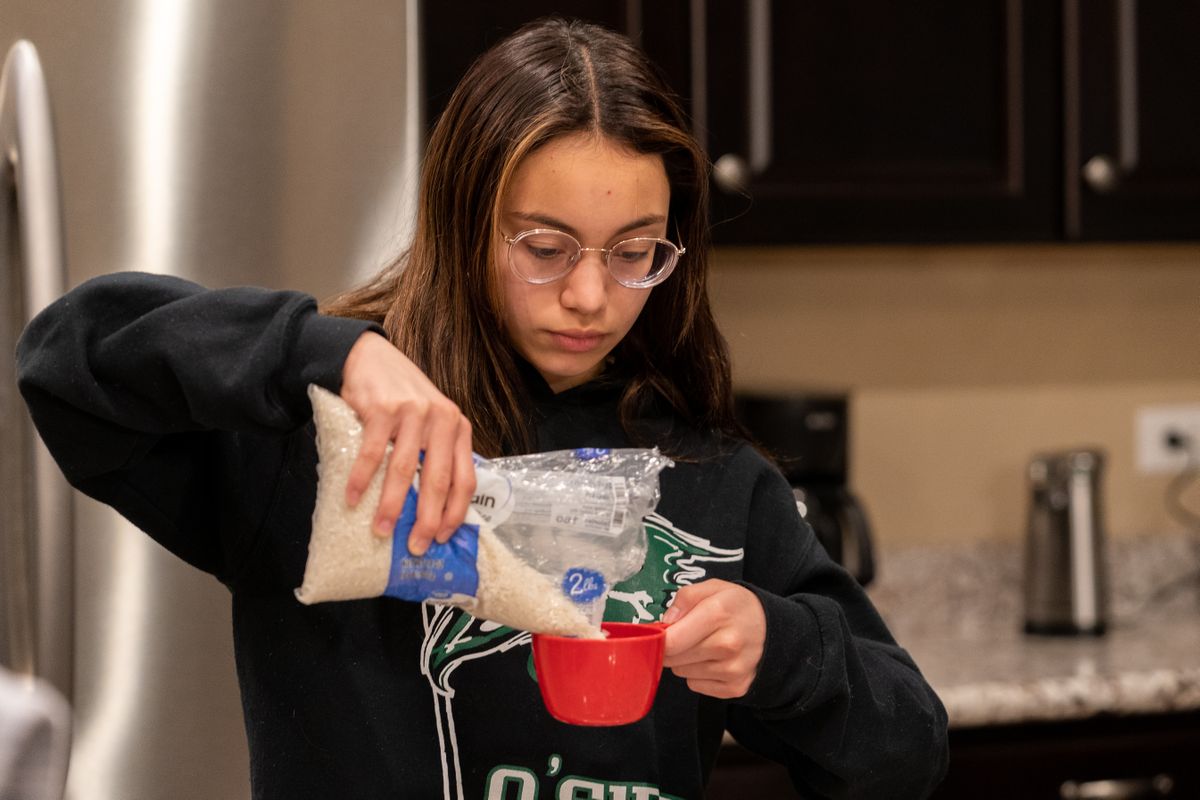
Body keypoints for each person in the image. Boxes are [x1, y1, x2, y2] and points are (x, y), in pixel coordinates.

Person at [16, 17, 948, 800]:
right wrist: (329, 350)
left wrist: (779, 648)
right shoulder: (328, 445)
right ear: (467, 227)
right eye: (545, 247)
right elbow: (66, 364)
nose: (590, 296)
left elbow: (909, 754)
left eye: (635, 253)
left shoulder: (711, 480)